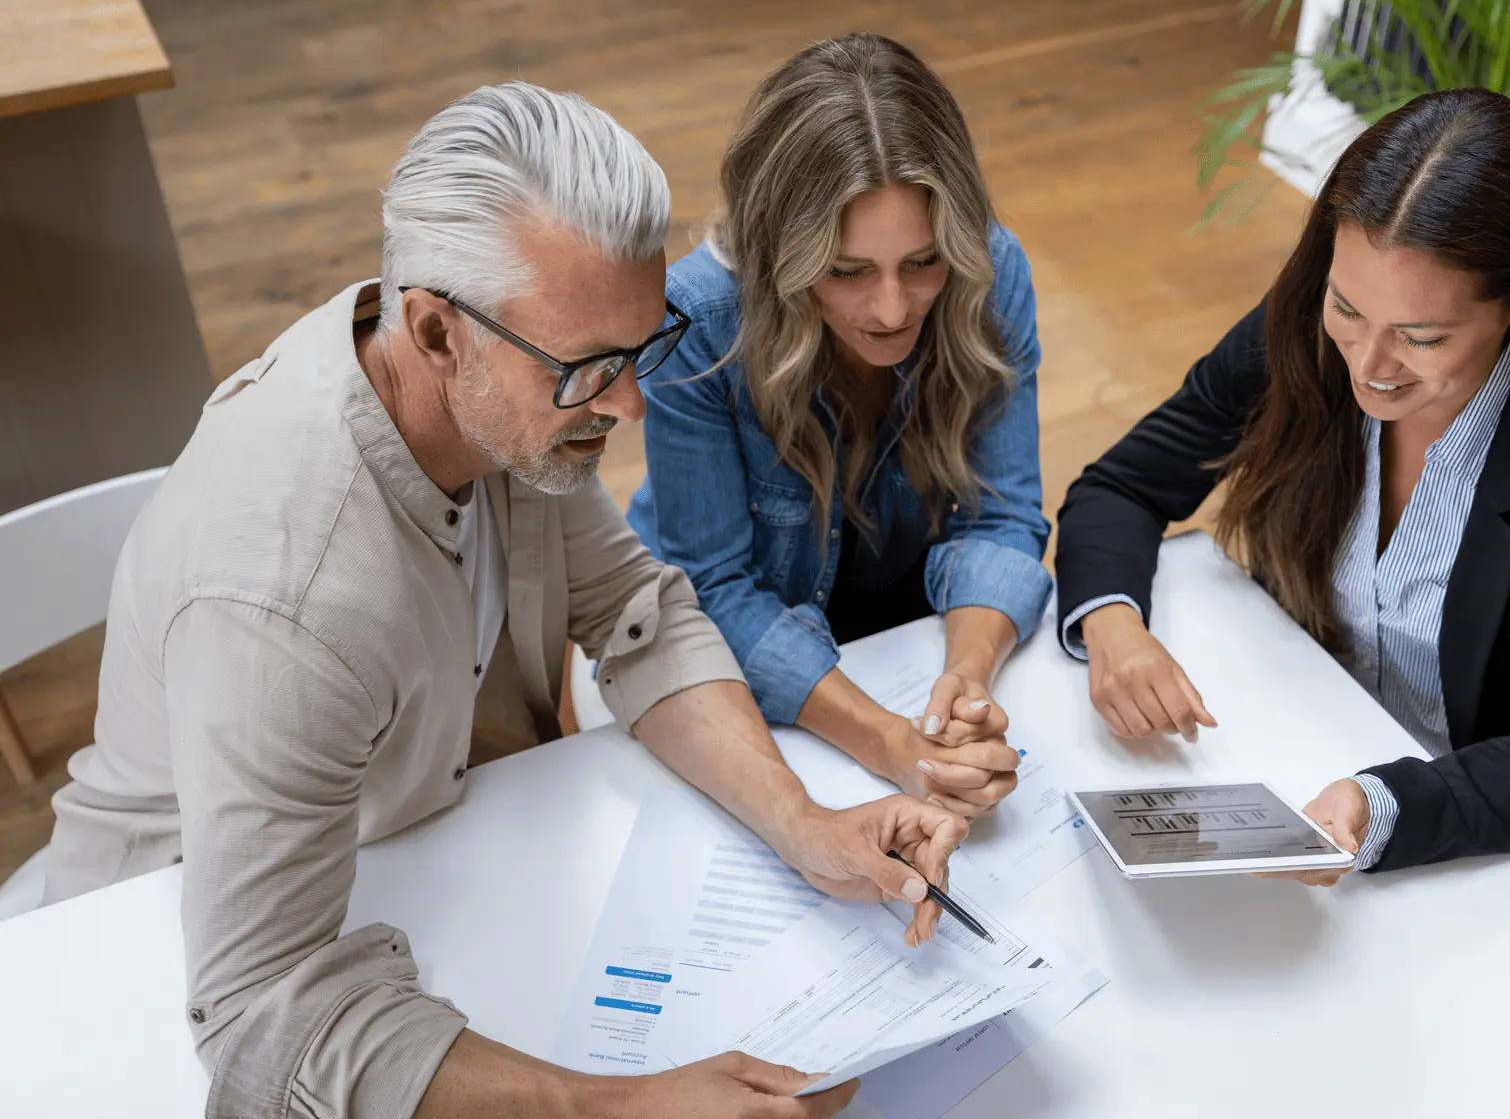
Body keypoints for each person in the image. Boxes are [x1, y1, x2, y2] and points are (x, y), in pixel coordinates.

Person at [41, 83, 968, 1119]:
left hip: (433, 849)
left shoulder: (498, 382)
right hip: (144, 959)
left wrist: (806, 825)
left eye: (639, 346)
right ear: (436, 333)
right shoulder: (286, 600)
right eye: (591, 369)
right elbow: (267, 1015)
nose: (627, 403)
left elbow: (638, 614)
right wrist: (619, 1107)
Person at [1054, 87, 1510, 899]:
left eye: (1423, 337)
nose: (1370, 365)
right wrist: (1113, 624)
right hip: (1318, 731)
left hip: (1504, 826)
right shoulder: (1306, 328)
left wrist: (1381, 803)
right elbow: (1124, 483)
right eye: (1348, 309)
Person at [627, 34, 1052, 818]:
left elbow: (1004, 514)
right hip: (751, 641)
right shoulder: (699, 323)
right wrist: (888, 742)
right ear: (777, 255)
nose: (891, 310)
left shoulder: (992, 276)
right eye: (847, 272)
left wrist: (965, 681)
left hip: (902, 631)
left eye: (922, 263)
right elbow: (712, 589)